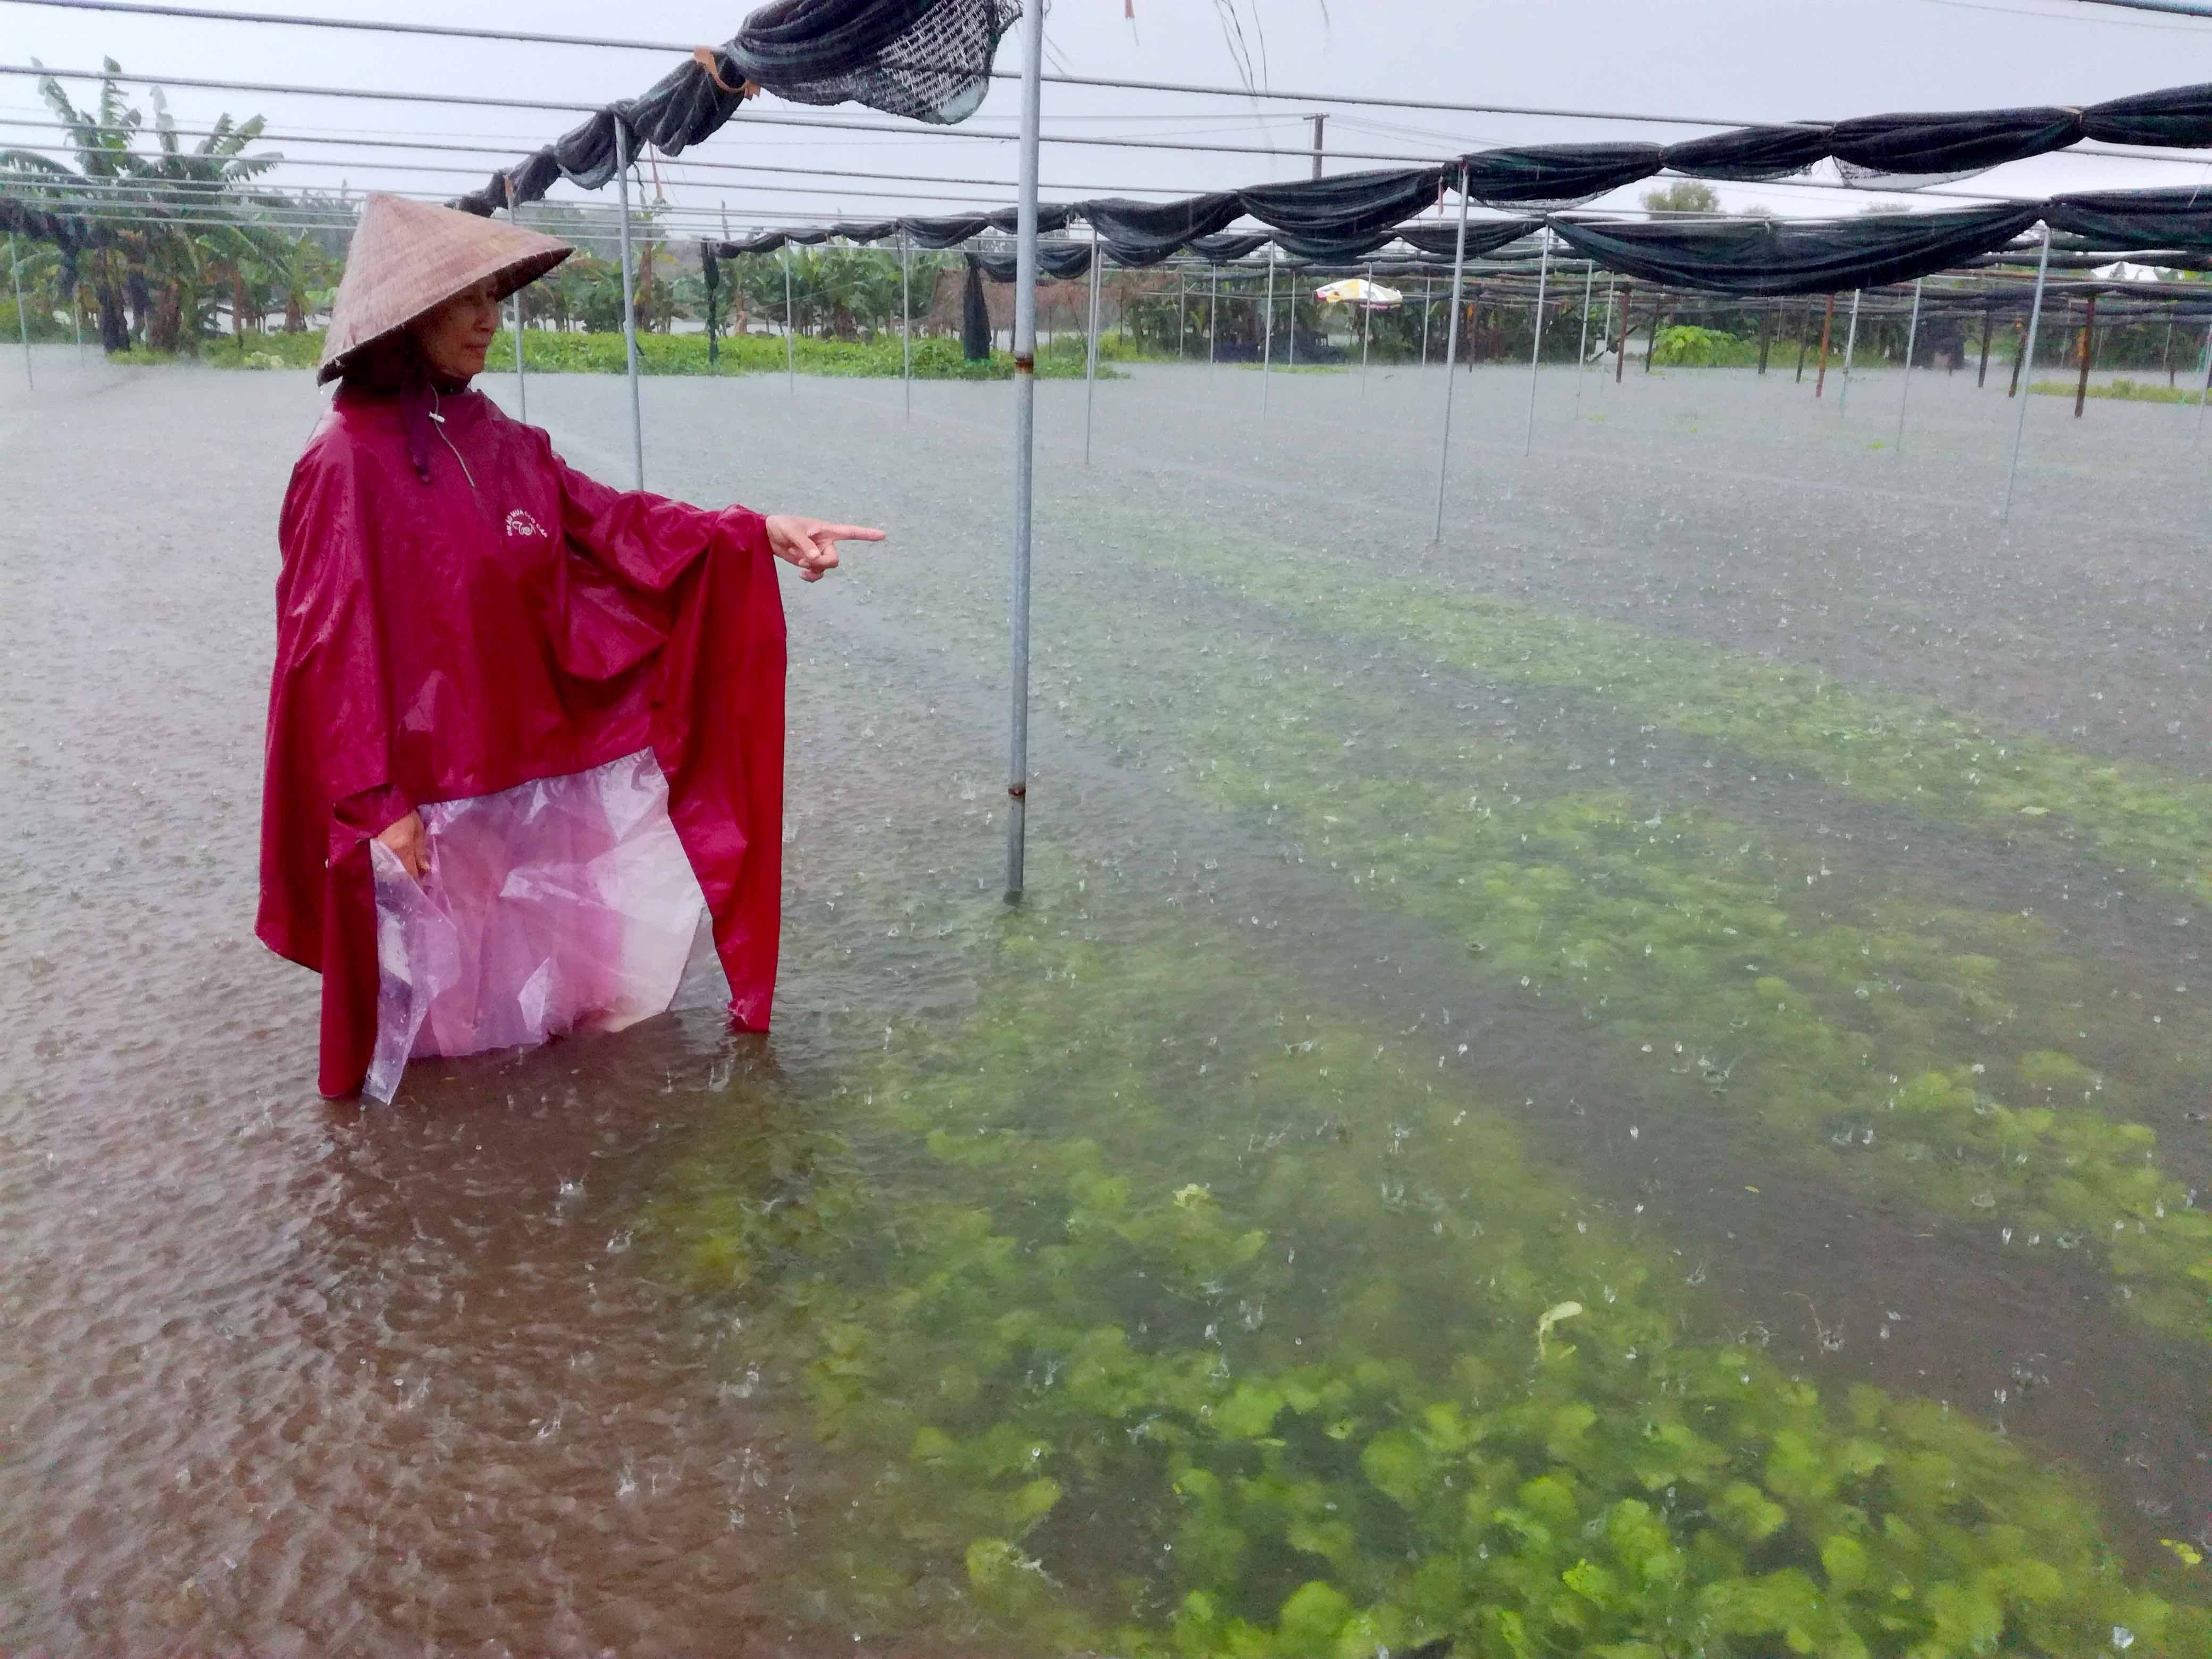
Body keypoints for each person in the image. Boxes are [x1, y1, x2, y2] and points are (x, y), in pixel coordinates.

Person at [257, 195, 884, 1098]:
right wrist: (373, 800)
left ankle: (544, 1135)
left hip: (523, 759)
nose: (487, 320)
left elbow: (616, 525)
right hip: (425, 785)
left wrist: (755, 532)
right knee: (435, 1002)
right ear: (402, 321)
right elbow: (330, 643)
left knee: (531, 980)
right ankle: (452, 1197)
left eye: (493, 297)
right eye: (461, 301)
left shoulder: (501, 440)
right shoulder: (345, 460)